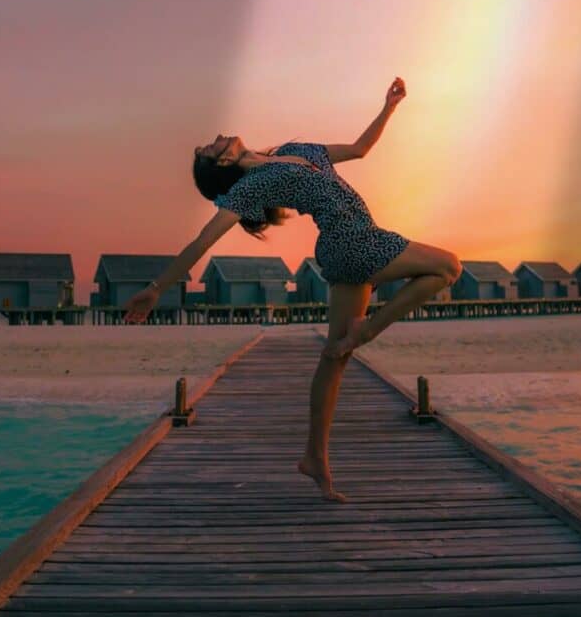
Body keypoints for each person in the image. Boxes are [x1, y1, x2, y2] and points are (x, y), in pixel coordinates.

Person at [123, 77, 462, 502]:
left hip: (351, 246)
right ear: (224, 163)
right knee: (449, 266)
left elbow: (359, 149)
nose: (219, 137)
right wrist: (156, 289)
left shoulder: (296, 150)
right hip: (353, 244)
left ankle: (314, 458)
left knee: (335, 357)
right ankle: (368, 331)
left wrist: (389, 107)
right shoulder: (252, 187)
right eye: (213, 146)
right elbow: (202, 243)